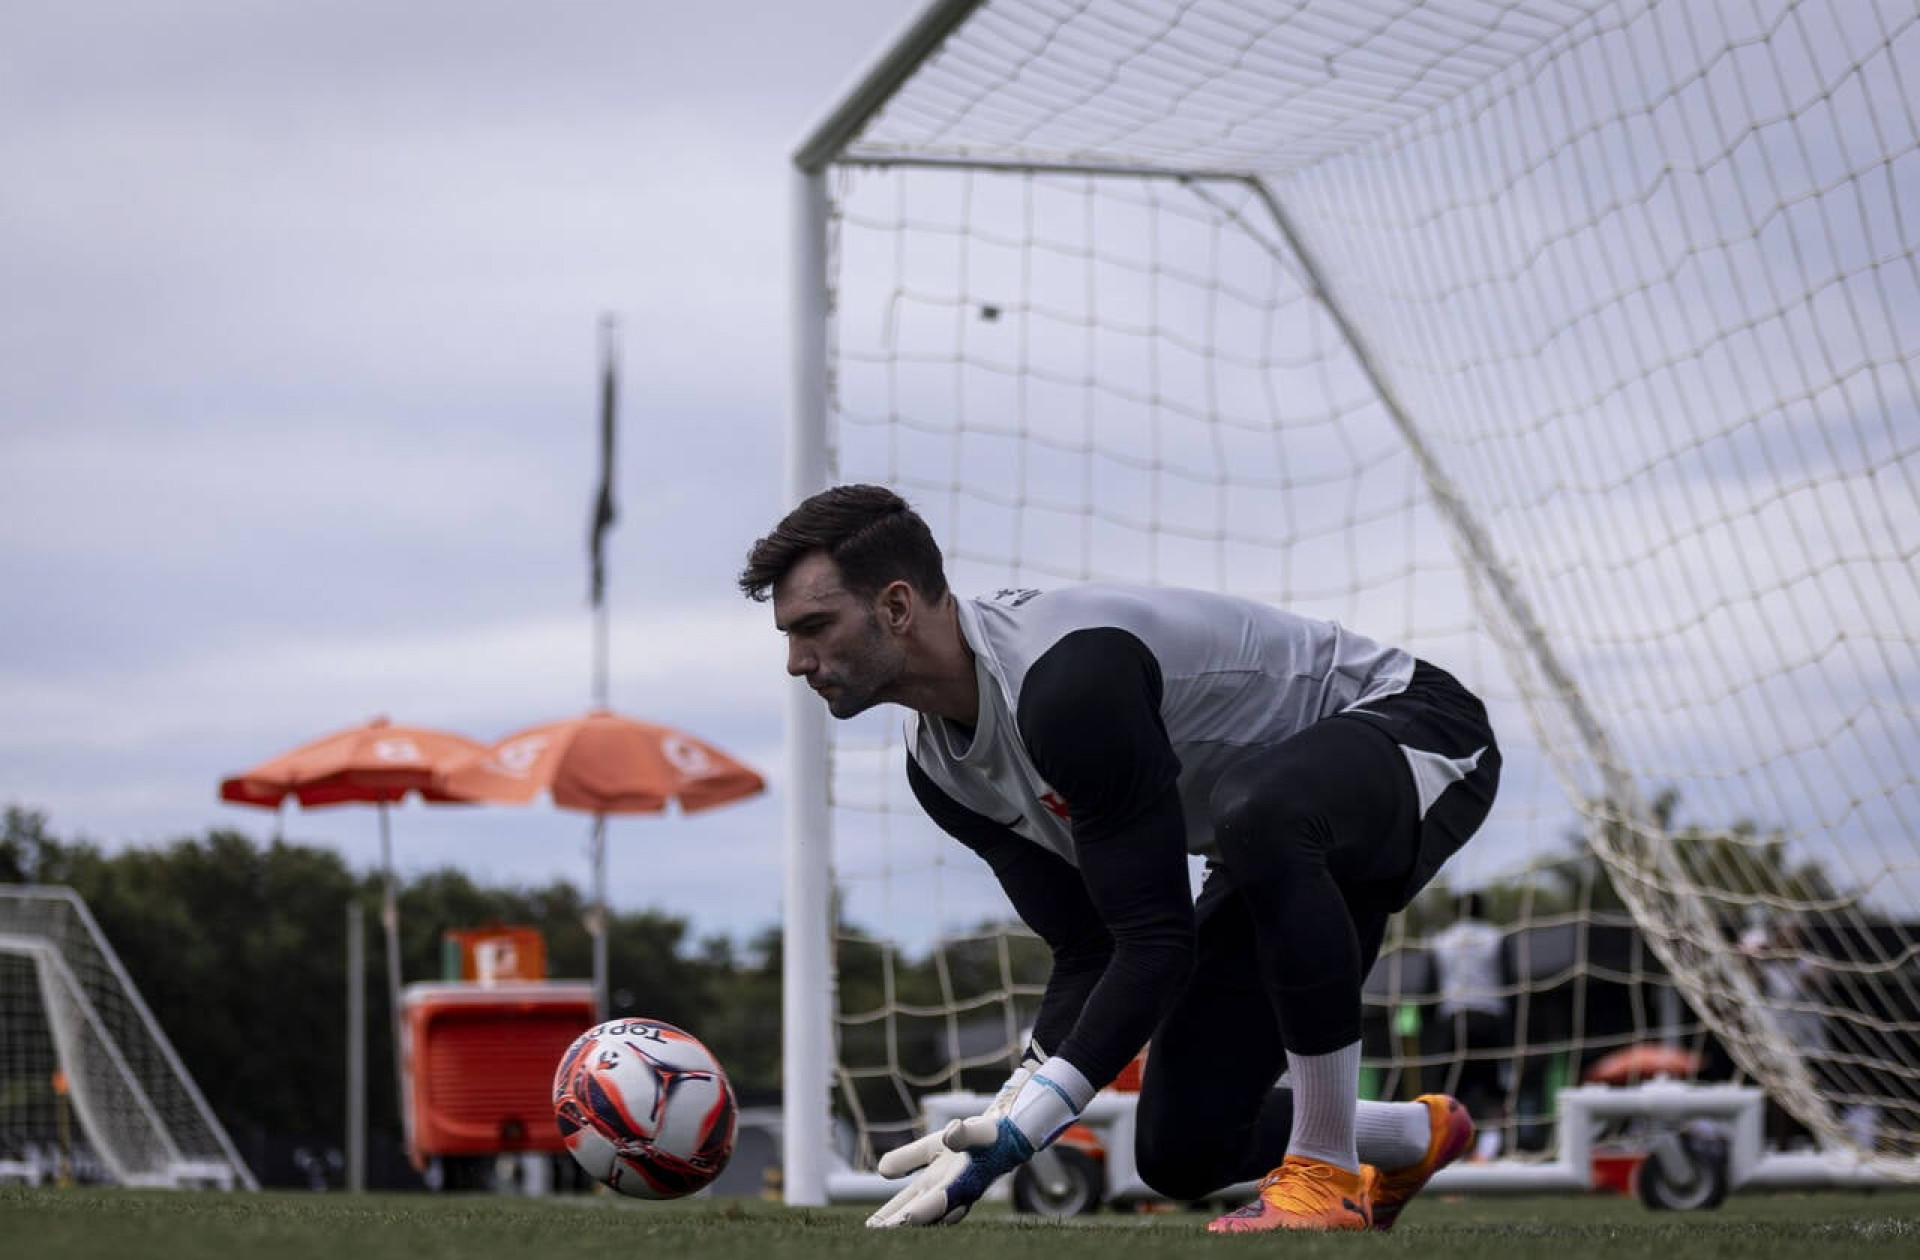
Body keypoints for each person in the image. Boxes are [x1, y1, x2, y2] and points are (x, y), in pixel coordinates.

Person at [739, 484, 1501, 1231]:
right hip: (1269, 836)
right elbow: (1094, 947)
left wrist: (1030, 1122)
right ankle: (1412, 1136)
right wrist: (1007, 1113)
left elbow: (1158, 941)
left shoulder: (1065, 685)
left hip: (1415, 729)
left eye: (814, 625)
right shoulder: (937, 769)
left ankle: (1325, 1169)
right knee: (1180, 1152)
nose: (797, 661)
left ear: (897, 607)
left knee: (1261, 811)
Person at [1425, 892, 1511, 1156]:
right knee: (1493, 1087)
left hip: (1454, 1019)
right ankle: (1492, 1148)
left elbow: (1429, 987)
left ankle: (1450, 1149)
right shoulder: (1497, 937)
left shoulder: (1440, 941)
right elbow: (1510, 980)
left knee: (1452, 1090)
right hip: (1489, 1017)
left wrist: (1429, 1030)